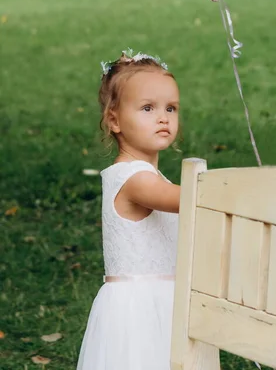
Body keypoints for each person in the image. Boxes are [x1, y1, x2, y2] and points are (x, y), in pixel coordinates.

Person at [77, 48, 181, 370]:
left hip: (161, 301)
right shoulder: (134, 179)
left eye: (171, 108)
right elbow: (188, 199)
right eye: (147, 108)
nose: (163, 117)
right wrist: (226, 189)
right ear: (114, 119)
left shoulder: (150, 176)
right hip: (140, 311)